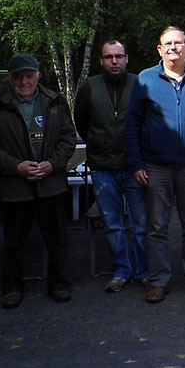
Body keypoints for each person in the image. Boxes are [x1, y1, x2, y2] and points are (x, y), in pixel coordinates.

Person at [0, 53, 76, 309]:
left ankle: (60, 283)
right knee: (14, 240)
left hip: (50, 182)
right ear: (9, 78)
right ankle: (12, 287)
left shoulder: (54, 100)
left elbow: (68, 138)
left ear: (38, 75)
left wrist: (52, 164)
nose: (24, 81)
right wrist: (15, 167)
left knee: (56, 238)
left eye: (28, 75)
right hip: (14, 186)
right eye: (18, 76)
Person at [125, 27, 185, 304]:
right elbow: (132, 125)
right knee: (157, 227)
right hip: (155, 165)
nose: (173, 48)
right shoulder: (145, 80)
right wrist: (136, 162)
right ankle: (159, 280)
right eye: (168, 44)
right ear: (159, 49)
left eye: (178, 43)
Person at [74, 40, 149, 293]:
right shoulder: (90, 87)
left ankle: (144, 271)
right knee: (112, 224)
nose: (114, 62)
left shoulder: (140, 83)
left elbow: (148, 120)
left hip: (134, 166)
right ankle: (122, 271)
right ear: (101, 61)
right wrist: (98, 144)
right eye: (108, 57)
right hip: (103, 166)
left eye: (118, 56)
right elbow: (82, 122)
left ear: (127, 58)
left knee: (141, 223)